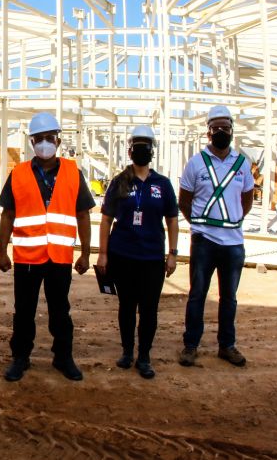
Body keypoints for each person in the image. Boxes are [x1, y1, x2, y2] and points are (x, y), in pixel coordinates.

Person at [0, 112, 95, 382]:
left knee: (60, 311)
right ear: (31, 142)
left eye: (49, 138)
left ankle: (63, 357)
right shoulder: (18, 173)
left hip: (60, 257)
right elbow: (7, 215)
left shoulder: (73, 172)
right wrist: (2, 251)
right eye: (38, 139)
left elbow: (83, 215)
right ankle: (20, 357)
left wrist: (86, 253)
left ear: (59, 141)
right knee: (24, 311)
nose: (44, 144)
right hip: (27, 256)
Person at [95, 125, 179, 379]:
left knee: (149, 309)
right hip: (123, 255)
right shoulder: (119, 182)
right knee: (127, 306)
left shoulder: (162, 185)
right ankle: (127, 351)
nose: (141, 150)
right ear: (129, 149)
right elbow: (106, 220)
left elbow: (173, 220)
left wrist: (173, 254)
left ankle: (144, 356)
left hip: (152, 258)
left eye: (146, 145)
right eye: (137, 145)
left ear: (152, 150)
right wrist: (103, 253)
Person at [178, 105, 254, 368]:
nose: (221, 132)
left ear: (232, 131)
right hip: (204, 241)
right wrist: (201, 226)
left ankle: (227, 345)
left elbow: (247, 200)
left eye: (225, 128)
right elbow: (184, 201)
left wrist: (230, 221)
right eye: (216, 129)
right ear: (208, 133)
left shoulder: (242, 164)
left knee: (229, 297)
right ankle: (191, 345)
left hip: (233, 243)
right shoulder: (196, 163)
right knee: (197, 294)